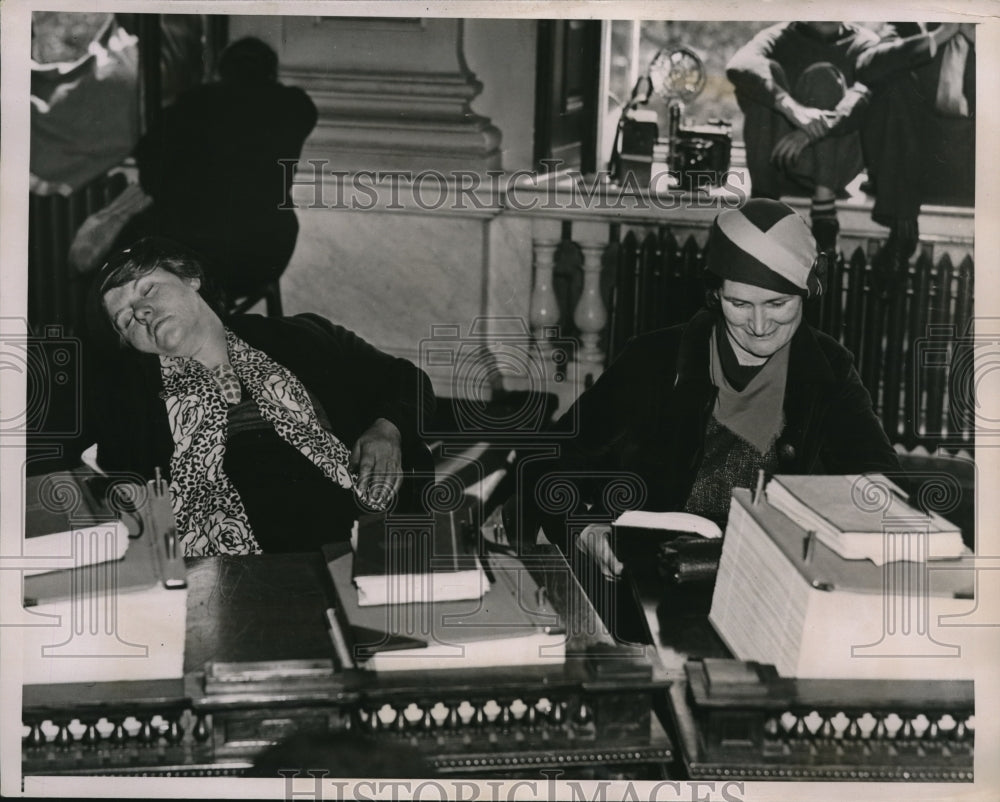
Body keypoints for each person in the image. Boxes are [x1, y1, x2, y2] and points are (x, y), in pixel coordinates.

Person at [516, 199, 900, 578]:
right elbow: (545, 463)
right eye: (739, 304)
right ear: (716, 294)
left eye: (778, 303)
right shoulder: (654, 359)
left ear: (808, 292)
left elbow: (880, 486)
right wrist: (586, 530)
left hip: (770, 581)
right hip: (651, 578)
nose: (760, 325)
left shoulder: (828, 369)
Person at [88, 237, 435, 556]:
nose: (141, 312)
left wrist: (387, 431)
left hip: (350, 536)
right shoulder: (126, 398)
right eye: (125, 319)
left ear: (190, 278)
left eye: (148, 289)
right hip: (231, 573)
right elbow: (119, 496)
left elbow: (406, 380)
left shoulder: (304, 336)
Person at [123, 36, 318, 300]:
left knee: (129, 246)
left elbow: (150, 171)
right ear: (270, 72)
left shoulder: (193, 103)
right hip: (265, 252)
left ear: (222, 71)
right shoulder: (295, 105)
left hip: (193, 252)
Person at [726, 22, 879, 257]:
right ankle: (763, 205)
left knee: (823, 77)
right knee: (763, 74)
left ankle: (824, 212)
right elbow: (739, 65)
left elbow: (867, 90)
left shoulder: (865, 42)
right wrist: (790, 108)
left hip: (838, 165)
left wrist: (810, 129)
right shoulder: (779, 35)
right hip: (783, 157)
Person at [855, 22, 974, 266]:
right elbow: (866, 67)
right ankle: (902, 231)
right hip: (913, 168)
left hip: (975, 168)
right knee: (895, 83)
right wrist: (938, 36)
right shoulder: (911, 26)